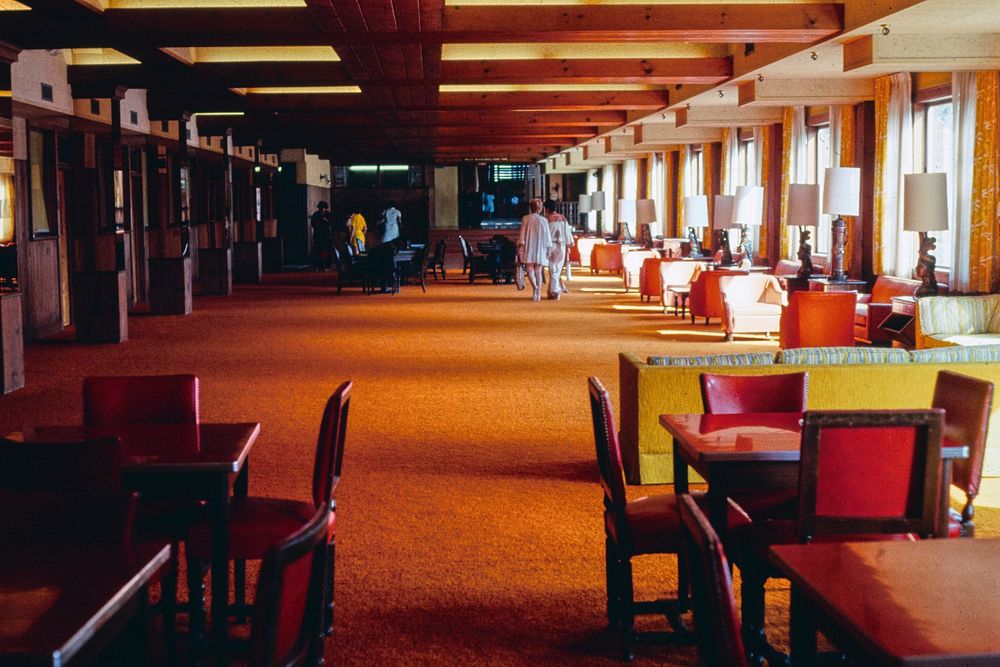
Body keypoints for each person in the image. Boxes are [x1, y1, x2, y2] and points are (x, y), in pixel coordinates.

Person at [518, 198, 553, 302]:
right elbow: (547, 236)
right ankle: (537, 293)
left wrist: (521, 245)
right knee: (538, 269)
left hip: (529, 245)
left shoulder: (525, 218)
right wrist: (549, 248)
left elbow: (522, 233)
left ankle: (535, 288)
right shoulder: (544, 220)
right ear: (540, 208)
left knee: (529, 269)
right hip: (540, 246)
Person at [544, 199, 573, 299]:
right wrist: (569, 243)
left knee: (553, 269)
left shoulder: (546, 220)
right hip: (561, 246)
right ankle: (553, 290)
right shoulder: (562, 218)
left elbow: (544, 234)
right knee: (557, 269)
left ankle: (555, 291)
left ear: (546, 209)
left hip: (550, 246)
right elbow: (567, 232)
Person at [310, 201, 333, 270]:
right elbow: (313, 224)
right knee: (318, 252)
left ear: (325, 208)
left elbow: (332, 223)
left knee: (328, 251)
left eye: (323, 208)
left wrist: (326, 220)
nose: (322, 209)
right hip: (318, 235)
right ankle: (318, 266)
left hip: (326, 235)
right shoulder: (316, 214)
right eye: (320, 208)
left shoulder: (328, 214)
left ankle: (327, 265)